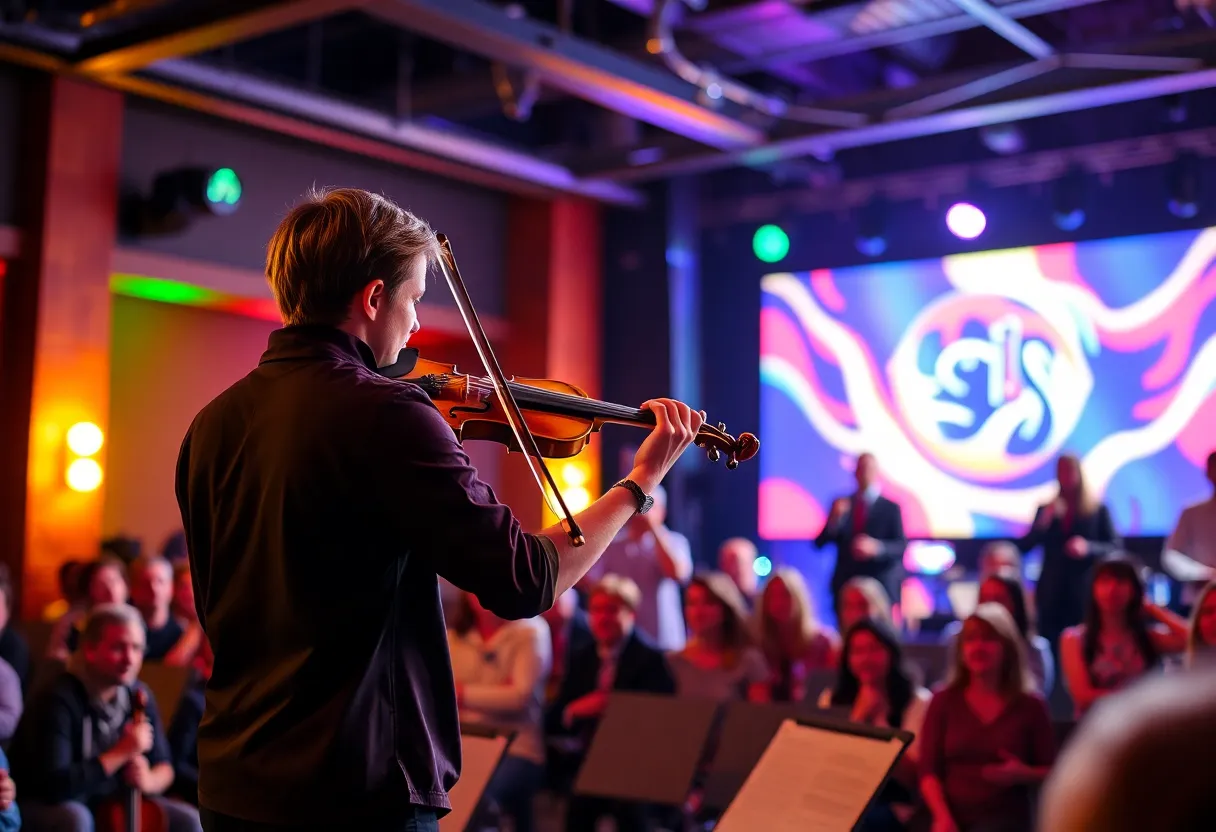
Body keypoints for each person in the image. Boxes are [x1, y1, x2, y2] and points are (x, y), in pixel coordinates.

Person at [174, 187, 703, 832]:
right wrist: (641, 480)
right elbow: (527, 579)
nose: (418, 323)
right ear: (373, 298)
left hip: (234, 781)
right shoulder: (388, 413)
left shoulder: (209, 425)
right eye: (416, 297)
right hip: (352, 788)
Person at [814, 453, 906, 624]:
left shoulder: (891, 508)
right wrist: (834, 520)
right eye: (860, 468)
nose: (863, 473)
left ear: (876, 472)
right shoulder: (841, 505)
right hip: (846, 587)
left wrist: (877, 548)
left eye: (868, 468)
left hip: (880, 587)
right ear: (854, 473)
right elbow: (819, 543)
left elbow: (900, 546)